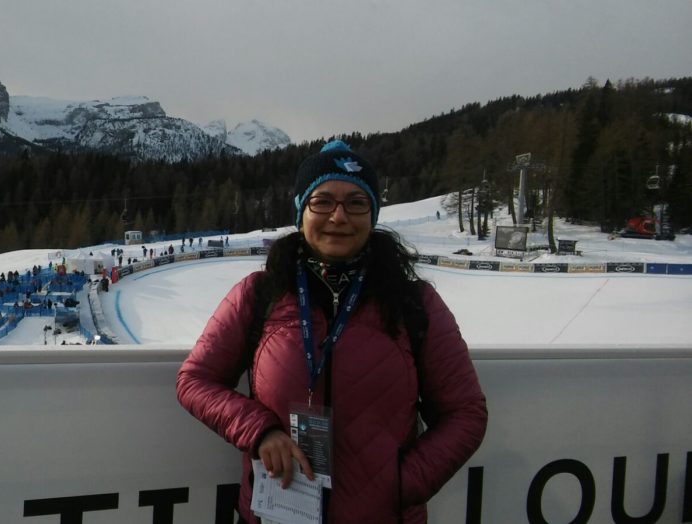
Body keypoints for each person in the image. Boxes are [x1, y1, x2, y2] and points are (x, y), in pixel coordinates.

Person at [176, 140, 487, 523]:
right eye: (322, 201)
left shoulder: (413, 304)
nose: (338, 217)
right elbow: (195, 380)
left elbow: (466, 413)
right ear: (301, 211)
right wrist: (260, 431)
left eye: (356, 202)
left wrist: (402, 484)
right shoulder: (261, 294)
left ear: (372, 215)